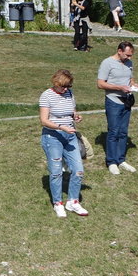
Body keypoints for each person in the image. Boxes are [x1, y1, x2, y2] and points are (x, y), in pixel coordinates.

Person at [39, 68, 88, 217]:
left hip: (70, 135)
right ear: (56, 83)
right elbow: (44, 120)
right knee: (56, 172)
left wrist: (76, 117)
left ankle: (73, 202)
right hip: (53, 137)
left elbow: (71, 112)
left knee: (78, 170)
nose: (66, 89)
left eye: (69, 86)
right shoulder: (46, 96)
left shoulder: (69, 94)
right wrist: (61, 127)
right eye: (63, 86)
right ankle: (58, 203)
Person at [97, 41, 138, 174]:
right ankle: (111, 161)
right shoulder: (107, 63)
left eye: (131, 55)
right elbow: (100, 84)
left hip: (126, 101)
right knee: (113, 131)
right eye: (127, 55)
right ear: (119, 51)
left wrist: (134, 85)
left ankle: (121, 160)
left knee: (123, 132)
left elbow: (130, 79)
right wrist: (119, 87)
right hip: (113, 101)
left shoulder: (129, 63)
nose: (129, 58)